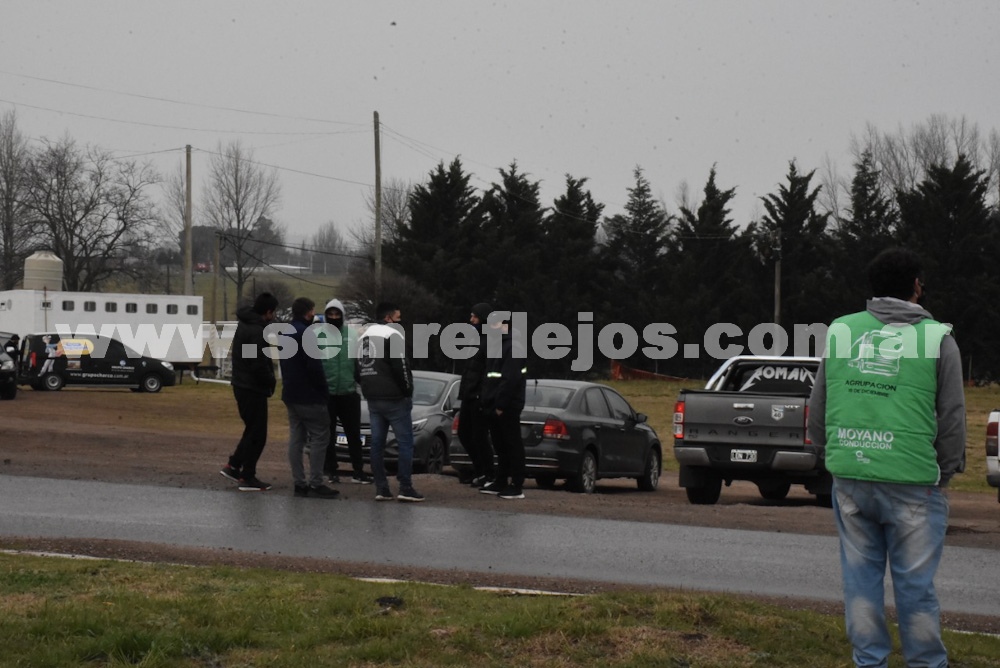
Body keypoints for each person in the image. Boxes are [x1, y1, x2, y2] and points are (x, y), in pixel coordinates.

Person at [808, 247, 966, 668]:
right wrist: (946, 470)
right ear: (915, 286)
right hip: (915, 480)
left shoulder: (841, 331)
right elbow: (952, 414)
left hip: (852, 475)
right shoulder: (937, 338)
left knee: (860, 580)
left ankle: (869, 660)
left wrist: (827, 453)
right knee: (915, 587)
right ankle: (926, 663)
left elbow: (818, 402)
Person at [355, 301, 423, 502]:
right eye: (398, 318)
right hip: (394, 398)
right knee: (405, 443)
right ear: (388, 318)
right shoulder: (393, 335)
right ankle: (405, 486)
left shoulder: (363, 337)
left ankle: (381, 488)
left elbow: (356, 368)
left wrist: (367, 386)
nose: (400, 322)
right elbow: (400, 366)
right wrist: (407, 390)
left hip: (373, 398)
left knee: (376, 443)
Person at [279, 297, 339, 499]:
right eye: (313, 311)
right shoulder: (307, 335)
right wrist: (324, 392)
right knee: (321, 436)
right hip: (310, 396)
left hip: (291, 394)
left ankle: (299, 482)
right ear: (308, 312)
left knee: (296, 438)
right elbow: (315, 367)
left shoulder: (285, 333)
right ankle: (316, 482)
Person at [220, 292, 278, 492]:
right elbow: (256, 364)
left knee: (252, 429)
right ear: (268, 312)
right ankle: (247, 476)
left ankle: (234, 465)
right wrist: (271, 380)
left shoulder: (245, 325)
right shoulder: (255, 331)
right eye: (273, 312)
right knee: (258, 434)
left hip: (242, 384)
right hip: (251, 388)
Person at [318, 298, 372, 485]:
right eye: (330, 314)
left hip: (349, 392)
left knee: (353, 434)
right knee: (328, 434)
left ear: (342, 315)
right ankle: (331, 470)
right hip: (328, 393)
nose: (333, 317)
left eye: (337, 314)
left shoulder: (352, 334)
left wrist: (363, 383)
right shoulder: (319, 335)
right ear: (326, 316)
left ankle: (358, 470)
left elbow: (360, 362)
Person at [479, 310, 527, 500]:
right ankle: (501, 480)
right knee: (500, 445)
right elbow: (490, 377)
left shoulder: (513, 346)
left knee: (512, 444)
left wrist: (500, 404)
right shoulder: (498, 345)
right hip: (494, 404)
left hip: (506, 406)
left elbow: (510, 379)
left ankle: (516, 485)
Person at [457, 302, 496, 487]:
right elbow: (469, 369)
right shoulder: (475, 339)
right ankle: (480, 470)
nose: (471, 320)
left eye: (474, 316)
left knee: (480, 436)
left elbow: (488, 371)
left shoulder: (490, 340)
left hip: (479, 395)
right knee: (464, 433)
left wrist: (483, 394)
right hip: (468, 394)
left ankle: (489, 473)